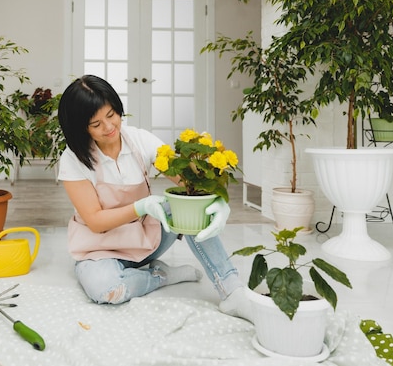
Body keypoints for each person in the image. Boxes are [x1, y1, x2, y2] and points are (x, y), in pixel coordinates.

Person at [57, 75, 253, 322]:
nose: (109, 127)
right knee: (106, 290)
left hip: (144, 239)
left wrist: (216, 201)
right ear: (81, 128)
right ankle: (162, 276)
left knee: (188, 205)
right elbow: (95, 221)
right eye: (96, 124)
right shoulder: (73, 159)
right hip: (99, 249)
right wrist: (141, 206)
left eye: (111, 115)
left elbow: (188, 183)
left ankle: (232, 290)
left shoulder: (140, 140)